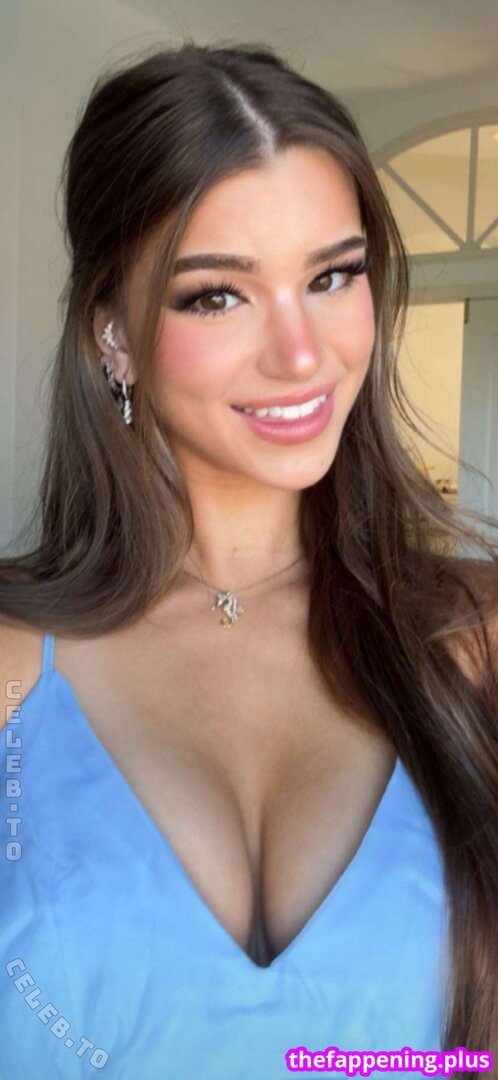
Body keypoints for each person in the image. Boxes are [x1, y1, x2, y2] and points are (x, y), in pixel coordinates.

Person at [0, 40, 497, 1080]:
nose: (303, 354)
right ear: (112, 335)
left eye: (332, 276)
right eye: (218, 295)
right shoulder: (10, 660)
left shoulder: (473, 636)